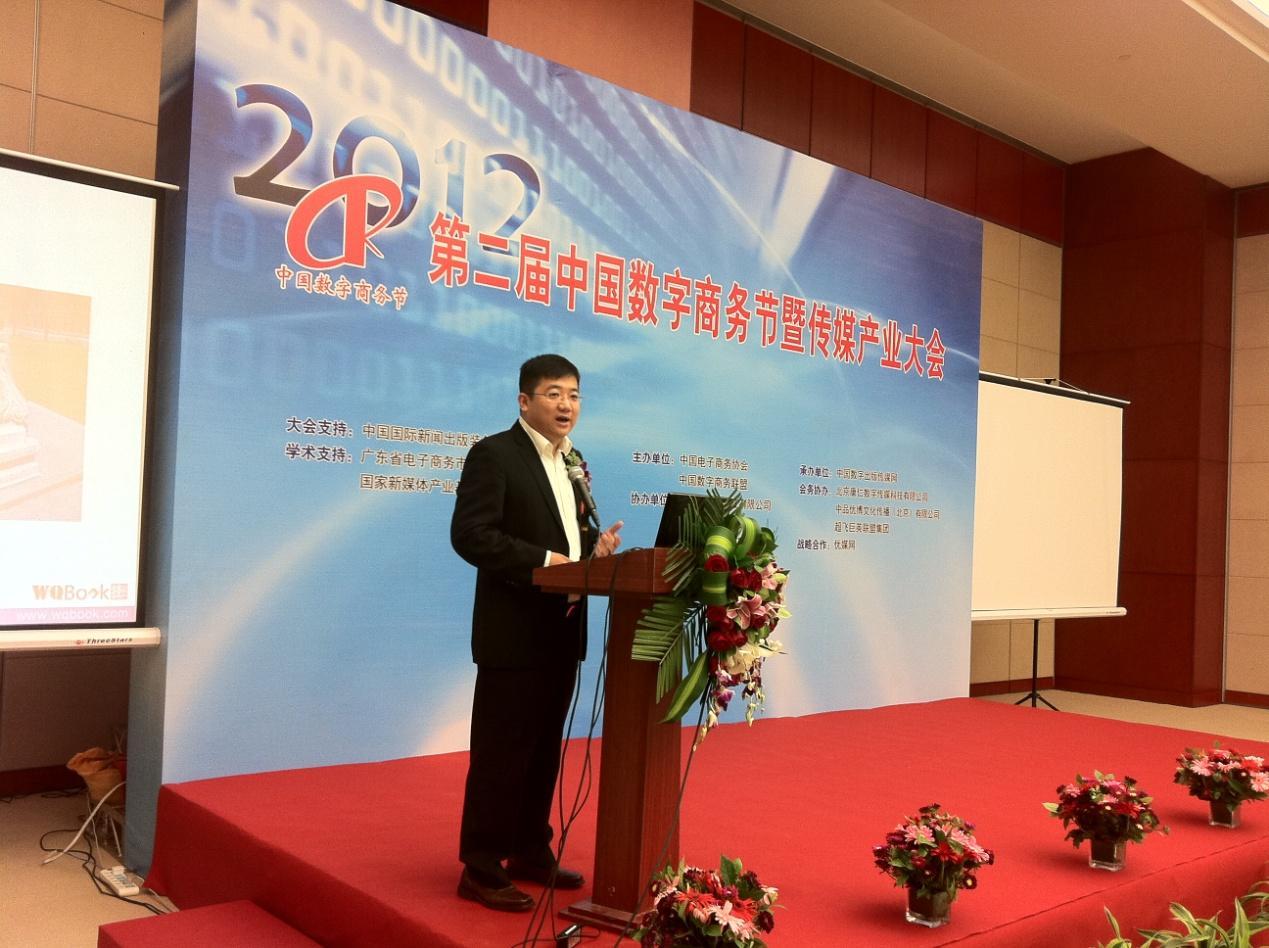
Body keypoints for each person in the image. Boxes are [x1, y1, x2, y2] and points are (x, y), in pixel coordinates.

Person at [450, 353, 623, 912]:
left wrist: (592, 550)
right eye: (553, 394)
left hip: (562, 631)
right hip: (514, 631)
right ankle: (480, 866)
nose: (566, 404)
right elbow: (471, 535)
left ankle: (529, 848)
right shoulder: (495, 454)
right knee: (502, 752)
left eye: (573, 394)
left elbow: (569, 538)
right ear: (525, 401)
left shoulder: (573, 461)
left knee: (545, 749)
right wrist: (548, 562)